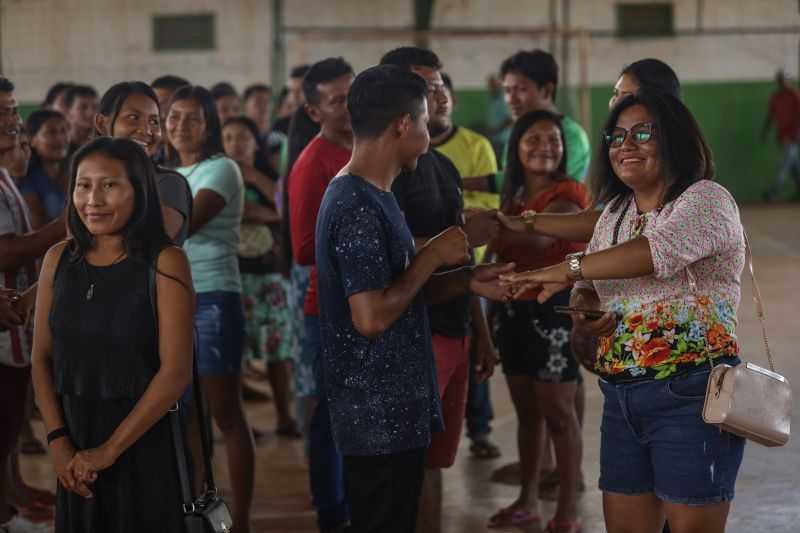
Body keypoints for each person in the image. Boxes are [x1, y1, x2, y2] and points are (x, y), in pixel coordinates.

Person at [501, 90, 746, 533]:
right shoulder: (615, 212)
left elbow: (655, 252)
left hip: (691, 395)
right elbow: (588, 289)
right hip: (621, 398)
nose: (625, 145)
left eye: (641, 133)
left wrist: (567, 266)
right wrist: (584, 310)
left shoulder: (706, 200)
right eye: (615, 137)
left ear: (673, 138)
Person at [316, 63, 514, 533]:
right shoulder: (356, 204)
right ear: (403, 124)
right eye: (424, 122)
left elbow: (400, 293)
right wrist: (434, 254)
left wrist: (467, 277)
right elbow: (371, 317)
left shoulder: (376, 194)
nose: (428, 132)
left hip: (395, 406)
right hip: (376, 411)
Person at [30, 137, 195, 532]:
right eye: (83, 185)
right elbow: (42, 358)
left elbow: (175, 373)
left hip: (143, 442)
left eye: (110, 185)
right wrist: (57, 440)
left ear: (139, 190)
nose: (93, 199)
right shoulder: (58, 260)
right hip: (74, 441)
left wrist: (109, 450)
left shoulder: (165, 262)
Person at [380, 47, 499, 533]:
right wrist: (461, 239)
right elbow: (393, 250)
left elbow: (461, 259)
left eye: (438, 85)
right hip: (414, 331)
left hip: (454, 329)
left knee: (434, 462)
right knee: (406, 461)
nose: (436, 95)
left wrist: (481, 333)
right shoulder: (386, 173)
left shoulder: (443, 167)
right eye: (422, 86)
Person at [487, 110, 588, 532]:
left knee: (559, 414)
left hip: (553, 308)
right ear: (516, 145)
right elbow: (497, 262)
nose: (545, 147)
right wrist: (488, 319)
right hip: (512, 311)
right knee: (527, 413)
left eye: (553, 140)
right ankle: (527, 499)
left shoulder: (568, 194)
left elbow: (537, 238)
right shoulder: (511, 198)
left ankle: (566, 509)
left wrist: (490, 225)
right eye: (534, 138)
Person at [165, 84, 254, 531]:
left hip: (215, 299)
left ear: (208, 125)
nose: (181, 125)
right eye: (174, 116)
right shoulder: (163, 172)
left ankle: (245, 519)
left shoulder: (222, 169)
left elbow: (178, 228)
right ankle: (199, 512)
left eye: (192, 118)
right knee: (186, 419)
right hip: (173, 303)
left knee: (226, 414)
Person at [287, 56, 354, 533]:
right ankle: (331, 512)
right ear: (315, 112)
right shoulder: (313, 163)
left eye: (355, 94)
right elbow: (303, 247)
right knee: (330, 415)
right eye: (339, 101)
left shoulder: (370, 147)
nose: (352, 106)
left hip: (369, 301)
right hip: (329, 307)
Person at [0, 76, 65, 533]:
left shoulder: (4, 175)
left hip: (12, 317)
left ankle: (9, 501)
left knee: (7, 423)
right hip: (4, 324)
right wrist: (68, 224)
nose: (11, 122)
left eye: (13, 111)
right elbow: (5, 251)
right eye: (2, 113)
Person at [432, 73, 502, 461]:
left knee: (476, 347)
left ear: (453, 102)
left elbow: (483, 206)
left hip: (471, 258)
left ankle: (479, 428)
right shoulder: (411, 154)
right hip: (438, 260)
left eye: (443, 93)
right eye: (429, 93)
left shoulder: (476, 146)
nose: (437, 101)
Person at [222, 115, 298, 435]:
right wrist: (268, 215)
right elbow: (230, 213)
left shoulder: (270, 175)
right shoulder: (218, 179)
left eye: (243, 138)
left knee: (277, 351)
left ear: (256, 142)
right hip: (231, 275)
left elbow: (289, 209)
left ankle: (284, 417)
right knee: (233, 353)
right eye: (229, 138)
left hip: (269, 276)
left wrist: (253, 177)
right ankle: (242, 423)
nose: (236, 144)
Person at [94, 81, 192, 245]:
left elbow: (145, 248)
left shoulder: (168, 184)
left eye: (154, 121)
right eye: (133, 118)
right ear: (102, 124)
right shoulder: (86, 182)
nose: (147, 130)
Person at [501, 50, 590, 183]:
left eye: (521, 89)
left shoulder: (571, 136)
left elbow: (545, 184)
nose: (511, 99)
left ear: (547, 91)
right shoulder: (519, 134)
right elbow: (509, 183)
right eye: (507, 91)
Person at [19, 110, 71, 228]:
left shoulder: (75, 174)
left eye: (64, 130)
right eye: (51, 132)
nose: (60, 138)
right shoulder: (26, 180)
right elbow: (38, 226)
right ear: (31, 140)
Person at [762, 68, 800, 201]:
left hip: (793, 136)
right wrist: (765, 132)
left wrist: (797, 133)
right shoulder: (776, 97)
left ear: (789, 81)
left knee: (784, 166)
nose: (782, 83)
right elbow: (771, 116)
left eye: (784, 80)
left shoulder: (795, 96)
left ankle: (773, 192)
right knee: (792, 166)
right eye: (780, 81)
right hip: (782, 136)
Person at [64, 85, 98, 149]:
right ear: (68, 112)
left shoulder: (102, 146)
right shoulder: (60, 148)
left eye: (95, 107)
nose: (91, 113)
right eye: (83, 107)